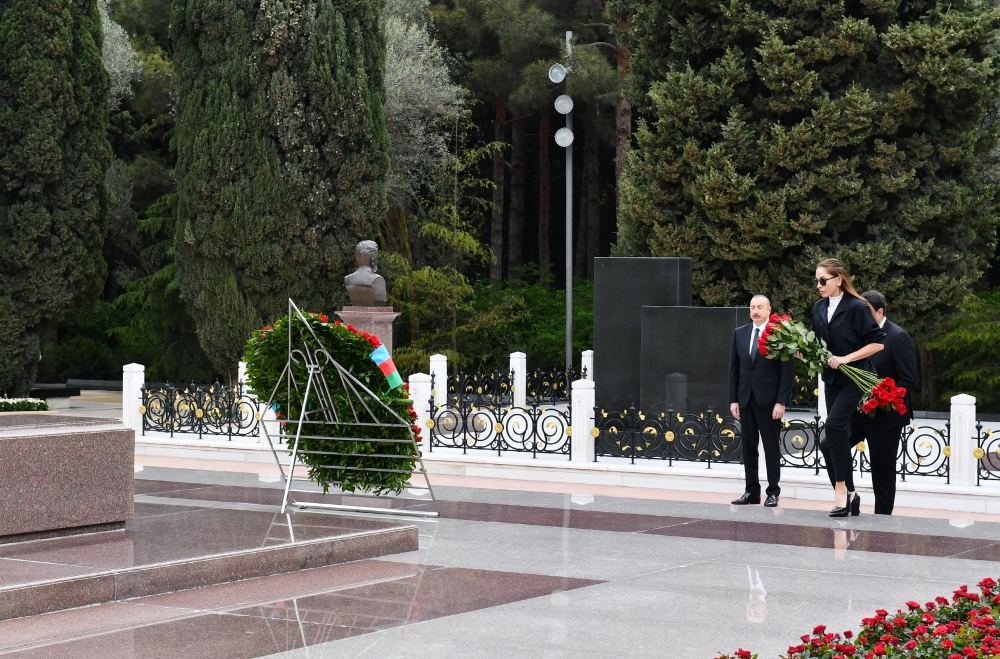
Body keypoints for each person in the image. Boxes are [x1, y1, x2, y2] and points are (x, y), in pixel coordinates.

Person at [811, 258, 885, 517]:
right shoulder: (818, 308)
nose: (819, 285)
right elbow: (818, 345)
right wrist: (804, 354)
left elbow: (877, 344)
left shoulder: (857, 307)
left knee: (833, 426)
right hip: (832, 379)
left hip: (856, 377)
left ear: (839, 279)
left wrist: (845, 358)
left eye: (824, 280)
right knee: (833, 438)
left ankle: (840, 489)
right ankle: (851, 495)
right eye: (816, 281)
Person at [850, 290, 919, 515]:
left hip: (886, 416)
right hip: (858, 412)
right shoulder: (858, 335)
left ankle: (882, 518)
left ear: (880, 311)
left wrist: (883, 397)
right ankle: (849, 496)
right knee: (829, 444)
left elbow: (909, 379)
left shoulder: (898, 336)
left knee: (882, 469)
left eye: (867, 312)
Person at [729, 295, 795, 508]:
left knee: (771, 448)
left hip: (769, 403)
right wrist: (733, 400)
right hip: (746, 400)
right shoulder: (740, 334)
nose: (755, 311)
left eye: (760, 307)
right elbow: (735, 370)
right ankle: (751, 491)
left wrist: (781, 401)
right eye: (752, 307)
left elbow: (787, 371)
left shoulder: (779, 333)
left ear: (769, 309)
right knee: (748, 447)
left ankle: (773, 492)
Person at [344, 240, 387, 306]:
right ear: (372, 258)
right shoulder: (378, 280)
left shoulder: (348, 279)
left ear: (357, 257)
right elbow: (381, 300)